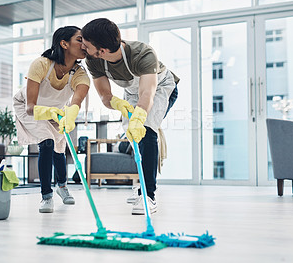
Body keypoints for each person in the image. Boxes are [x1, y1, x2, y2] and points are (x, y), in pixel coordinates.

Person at [81, 18, 179, 215]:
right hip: (132, 94)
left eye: (86, 44)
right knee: (133, 136)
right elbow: (105, 95)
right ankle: (140, 184)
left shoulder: (143, 53)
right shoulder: (92, 60)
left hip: (160, 88)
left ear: (102, 51)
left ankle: (148, 195)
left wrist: (139, 116)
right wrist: (118, 104)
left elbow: (147, 94)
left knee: (146, 130)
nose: (82, 46)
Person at [13, 26, 90, 213]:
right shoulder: (41, 64)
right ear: (64, 43)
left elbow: (77, 100)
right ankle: (46, 196)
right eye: (79, 39)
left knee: (59, 148)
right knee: (47, 142)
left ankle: (62, 186)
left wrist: (71, 113)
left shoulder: (80, 73)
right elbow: (30, 106)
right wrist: (49, 113)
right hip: (28, 108)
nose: (85, 44)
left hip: (58, 111)